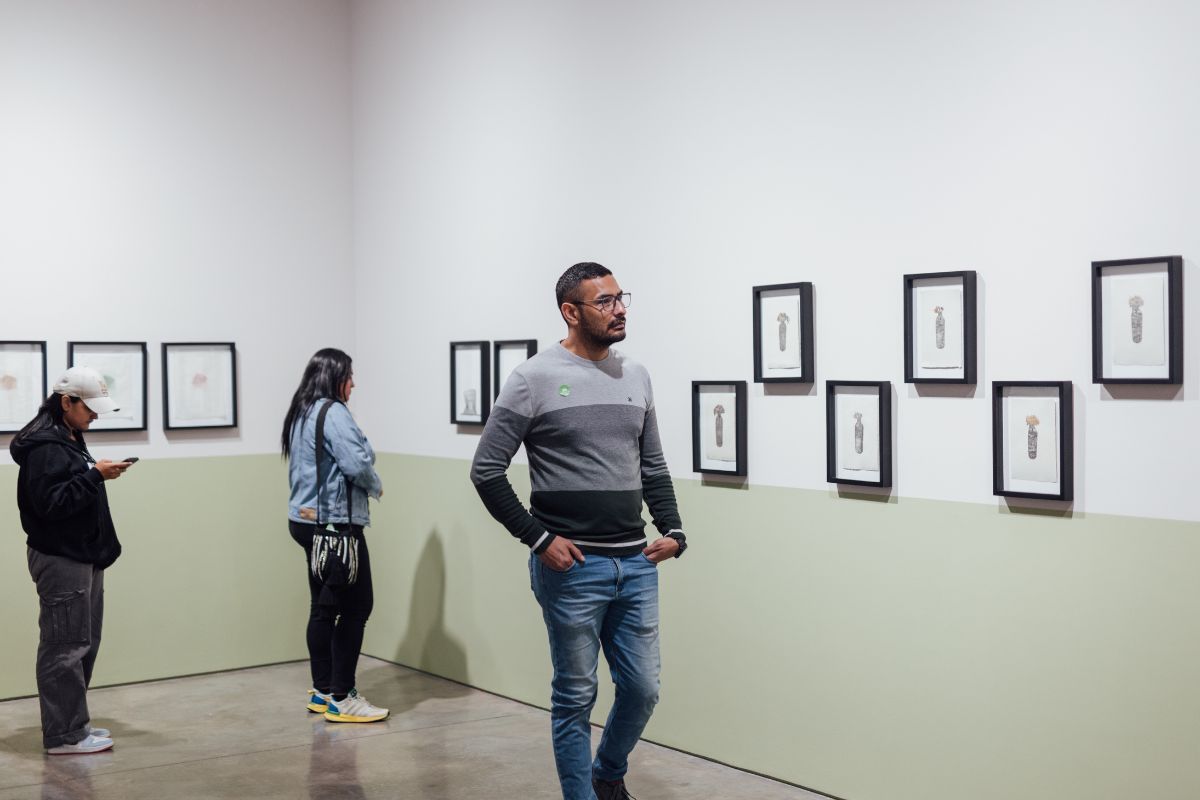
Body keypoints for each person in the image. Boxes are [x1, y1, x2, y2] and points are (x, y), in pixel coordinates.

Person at [471, 262, 688, 800]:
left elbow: (652, 465)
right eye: (605, 302)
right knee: (575, 695)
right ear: (571, 312)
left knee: (643, 689)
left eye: (620, 298)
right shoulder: (533, 379)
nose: (619, 310)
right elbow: (486, 469)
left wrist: (675, 528)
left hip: (636, 563)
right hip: (573, 568)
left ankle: (608, 772)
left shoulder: (636, 375)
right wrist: (539, 539)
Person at [10, 366, 133, 755]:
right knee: (64, 648)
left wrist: (94, 473)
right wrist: (95, 475)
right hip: (62, 558)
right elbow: (50, 505)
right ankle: (63, 736)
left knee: (83, 643)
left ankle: (74, 726)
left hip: (82, 555)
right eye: (90, 408)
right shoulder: (46, 446)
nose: (95, 415)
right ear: (67, 402)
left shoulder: (68, 435)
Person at [282, 348, 388, 723]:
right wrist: (376, 485)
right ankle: (341, 698)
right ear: (333, 377)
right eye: (349, 375)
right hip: (336, 527)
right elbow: (357, 462)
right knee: (357, 608)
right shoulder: (333, 412)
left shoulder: (301, 411)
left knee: (324, 608)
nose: (353, 383)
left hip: (306, 523)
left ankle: (323, 690)